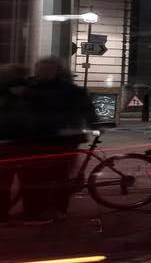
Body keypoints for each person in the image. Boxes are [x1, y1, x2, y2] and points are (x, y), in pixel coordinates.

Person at [18, 58, 93, 223]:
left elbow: (84, 109)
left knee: (57, 175)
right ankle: (35, 210)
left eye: (45, 70)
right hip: (37, 137)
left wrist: (93, 125)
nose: (40, 73)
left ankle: (56, 209)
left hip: (63, 139)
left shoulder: (69, 90)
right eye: (38, 69)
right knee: (35, 177)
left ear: (57, 71)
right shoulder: (32, 87)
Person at [0, 64, 28, 219]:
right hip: (16, 141)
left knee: (5, 180)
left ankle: (3, 212)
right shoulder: (22, 92)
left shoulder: (14, 93)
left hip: (11, 141)